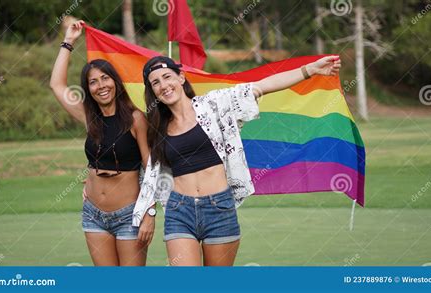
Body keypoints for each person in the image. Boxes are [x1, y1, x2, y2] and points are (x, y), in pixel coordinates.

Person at [133, 55, 341, 266]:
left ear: (181, 77)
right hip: (179, 211)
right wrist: (149, 211)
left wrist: (309, 69)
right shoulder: (156, 127)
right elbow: (151, 175)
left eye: (167, 77)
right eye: (155, 83)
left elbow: (262, 86)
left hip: (219, 209)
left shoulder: (215, 104)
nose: (164, 86)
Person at [50, 20, 154, 266]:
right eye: (93, 82)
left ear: (115, 82)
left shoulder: (136, 118)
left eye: (104, 78)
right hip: (93, 215)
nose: (100, 86)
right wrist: (69, 41)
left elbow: (152, 168)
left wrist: (149, 213)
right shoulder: (89, 118)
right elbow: (57, 85)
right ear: (88, 89)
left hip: (129, 214)